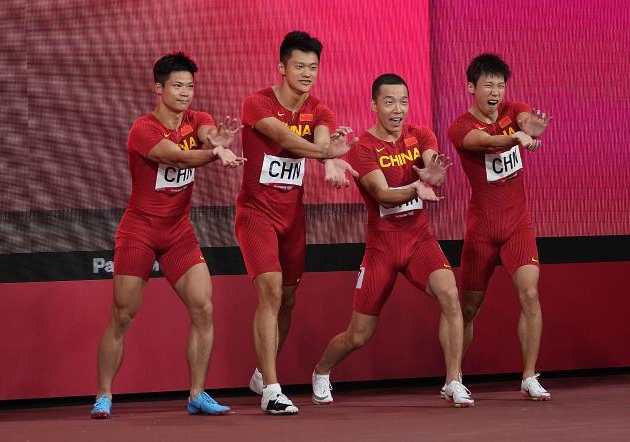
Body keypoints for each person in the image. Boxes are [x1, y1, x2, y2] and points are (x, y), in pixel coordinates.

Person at [91, 52, 245, 418]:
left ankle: (197, 394)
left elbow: (208, 134)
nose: (186, 93)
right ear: (159, 89)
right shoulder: (143, 129)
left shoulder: (198, 119)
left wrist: (217, 142)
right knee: (123, 315)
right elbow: (175, 157)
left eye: (190, 86)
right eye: (177, 86)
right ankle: (103, 394)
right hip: (139, 231)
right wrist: (215, 154)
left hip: (179, 233)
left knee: (203, 307)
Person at [311, 73, 474, 407]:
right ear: (374, 105)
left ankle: (453, 381)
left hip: (420, 241)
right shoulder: (363, 148)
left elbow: (431, 165)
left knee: (450, 296)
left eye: (403, 102)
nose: (397, 109)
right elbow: (383, 195)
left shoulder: (420, 135)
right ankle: (321, 371)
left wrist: (433, 174)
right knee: (359, 335)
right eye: (389, 102)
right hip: (382, 249)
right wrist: (417, 188)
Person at [236, 31, 355, 414]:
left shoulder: (320, 110)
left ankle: (261, 374)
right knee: (270, 292)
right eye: (299, 66)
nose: (306, 73)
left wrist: (330, 159)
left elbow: (321, 138)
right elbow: (284, 137)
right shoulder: (257, 103)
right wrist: (326, 154)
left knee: (287, 299)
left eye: (313, 67)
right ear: (281, 68)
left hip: (293, 220)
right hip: (256, 215)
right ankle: (272, 391)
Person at [447, 53, 553, 401]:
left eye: (500, 85)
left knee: (530, 293)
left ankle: (529, 376)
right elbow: (485, 142)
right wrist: (516, 139)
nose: (495, 92)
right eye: (487, 85)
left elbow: (525, 119)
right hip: (481, 230)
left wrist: (529, 128)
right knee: (468, 309)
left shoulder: (513, 110)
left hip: (517, 225)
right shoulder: (460, 127)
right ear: (471, 88)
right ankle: (453, 379)